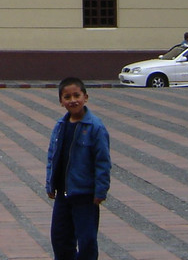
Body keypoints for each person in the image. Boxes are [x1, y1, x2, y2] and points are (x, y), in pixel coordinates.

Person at [46, 77, 110, 260]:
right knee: (60, 239)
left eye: (76, 95)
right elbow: (52, 156)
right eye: (67, 97)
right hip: (63, 194)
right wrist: (50, 184)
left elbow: (102, 161)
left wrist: (101, 190)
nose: (72, 100)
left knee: (87, 240)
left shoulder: (95, 127)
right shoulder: (60, 126)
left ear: (85, 97)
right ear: (61, 101)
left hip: (85, 195)